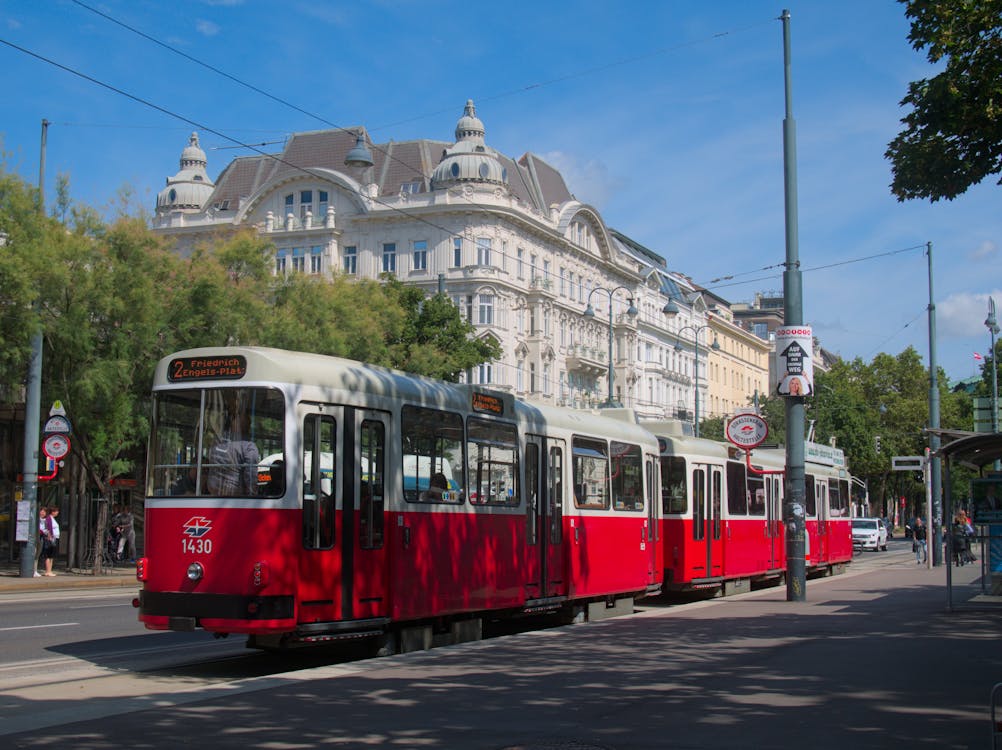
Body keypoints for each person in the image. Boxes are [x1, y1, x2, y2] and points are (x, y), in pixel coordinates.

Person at [205, 411, 260, 496]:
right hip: (236, 499)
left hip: (213, 495)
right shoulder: (248, 447)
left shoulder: (217, 444)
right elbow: (251, 476)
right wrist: (253, 497)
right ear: (248, 427)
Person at [40, 506, 60, 576]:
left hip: (54, 538)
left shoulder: (52, 519)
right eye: (56, 511)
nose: (57, 513)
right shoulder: (49, 518)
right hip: (50, 538)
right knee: (48, 554)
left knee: (51, 555)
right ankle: (48, 571)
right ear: (53, 512)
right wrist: (49, 535)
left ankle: (50, 570)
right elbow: (48, 528)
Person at [33, 506, 48, 577]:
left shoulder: (45, 521)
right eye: (41, 511)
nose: (42, 513)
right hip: (35, 538)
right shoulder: (35, 519)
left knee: (37, 555)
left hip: (41, 538)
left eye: (44, 512)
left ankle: (35, 570)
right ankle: (32, 570)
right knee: (34, 553)